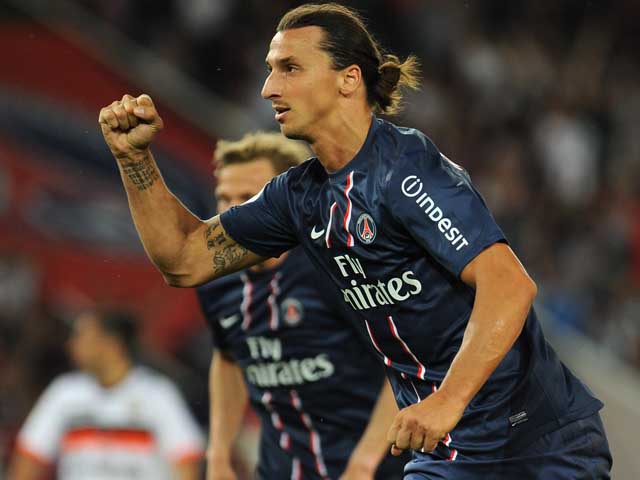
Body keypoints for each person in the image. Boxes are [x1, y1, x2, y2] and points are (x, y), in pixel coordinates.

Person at [98, 3, 612, 478]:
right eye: (270, 70)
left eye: (290, 68)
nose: (268, 88)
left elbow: (509, 285)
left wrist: (446, 400)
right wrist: (134, 159)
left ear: (348, 79)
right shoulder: (297, 198)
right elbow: (184, 258)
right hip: (446, 451)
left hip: (535, 441)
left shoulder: (404, 167)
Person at [198, 131, 406, 480]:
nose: (231, 212)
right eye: (224, 198)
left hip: (374, 469)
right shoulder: (217, 281)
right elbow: (228, 357)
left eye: (247, 197)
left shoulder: (336, 267)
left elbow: (403, 362)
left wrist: (365, 462)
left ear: (283, 201)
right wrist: (218, 452)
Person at [8, 306, 204, 480]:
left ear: (112, 343)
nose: (72, 345)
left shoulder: (157, 394)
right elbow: (29, 457)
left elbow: (186, 460)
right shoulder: (64, 393)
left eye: (82, 336)